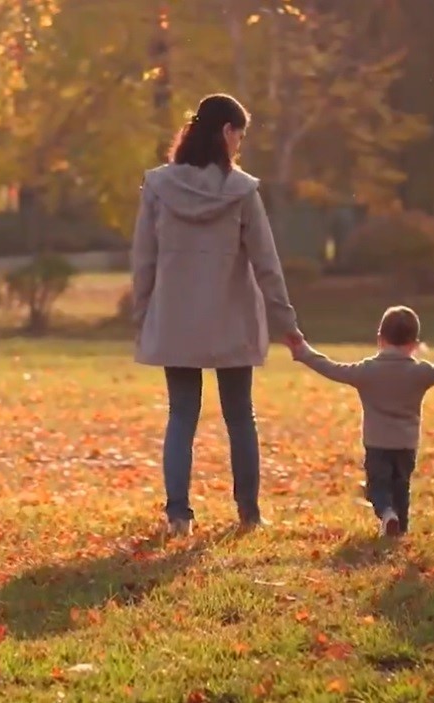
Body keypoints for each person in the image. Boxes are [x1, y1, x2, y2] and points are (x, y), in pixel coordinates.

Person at [131, 94, 303, 538]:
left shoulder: (158, 187)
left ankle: (178, 514)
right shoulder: (242, 191)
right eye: (240, 136)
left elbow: (143, 258)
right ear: (227, 132)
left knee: (181, 413)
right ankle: (248, 511)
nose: (239, 145)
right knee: (239, 414)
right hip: (232, 318)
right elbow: (266, 262)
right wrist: (286, 322)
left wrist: (142, 313)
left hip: (176, 318)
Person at [286, 306, 434, 536]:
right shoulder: (420, 372)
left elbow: (331, 368)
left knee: (377, 488)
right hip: (407, 444)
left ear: (380, 339)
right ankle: (400, 527)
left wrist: (303, 352)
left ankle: (387, 515)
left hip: (377, 443)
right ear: (414, 343)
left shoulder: (367, 370)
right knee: (401, 487)